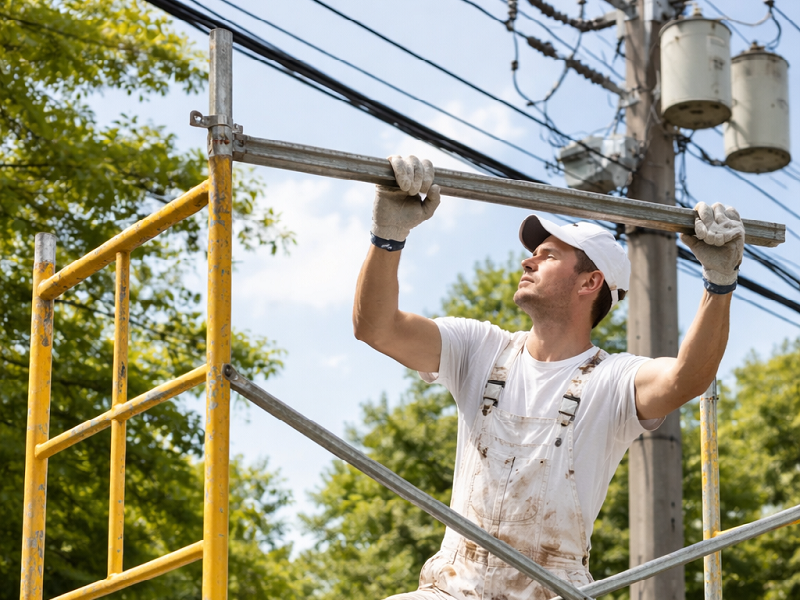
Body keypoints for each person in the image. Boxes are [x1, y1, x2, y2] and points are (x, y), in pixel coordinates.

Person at [353, 155, 743, 600]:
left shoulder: (612, 380)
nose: (527, 262)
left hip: (551, 592)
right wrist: (388, 236)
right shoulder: (480, 348)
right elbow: (376, 327)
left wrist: (719, 282)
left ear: (589, 282)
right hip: (452, 588)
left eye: (547, 256)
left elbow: (684, 379)